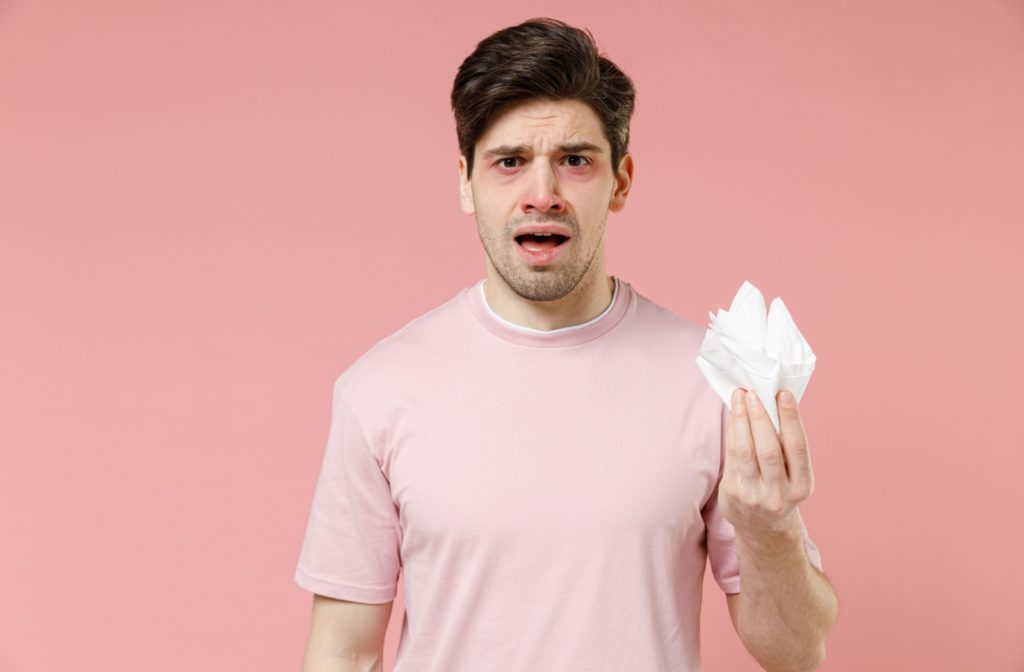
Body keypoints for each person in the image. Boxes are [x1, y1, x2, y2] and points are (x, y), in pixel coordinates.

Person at [295, 17, 838, 672]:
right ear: (466, 181)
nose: (542, 195)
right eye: (510, 163)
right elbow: (343, 657)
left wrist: (770, 531)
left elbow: (798, 651)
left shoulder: (715, 384)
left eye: (574, 160)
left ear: (622, 180)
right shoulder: (376, 391)